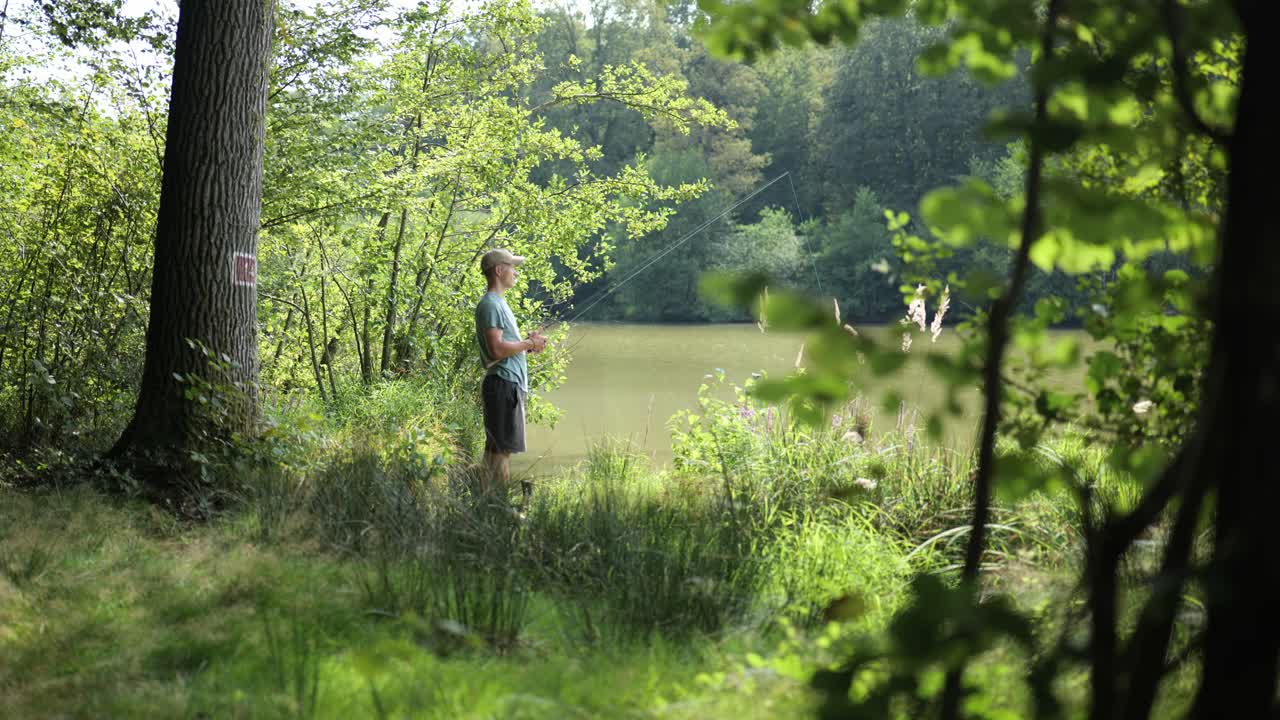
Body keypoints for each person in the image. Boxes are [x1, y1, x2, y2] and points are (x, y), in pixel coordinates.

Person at [475, 248, 547, 502]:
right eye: (512, 266)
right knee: (501, 453)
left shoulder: (498, 304)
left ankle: (484, 506)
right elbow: (495, 349)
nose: (516, 272)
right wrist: (527, 344)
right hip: (503, 384)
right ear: (499, 270)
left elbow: (504, 348)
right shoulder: (491, 304)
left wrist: (528, 343)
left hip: (505, 383)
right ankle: (502, 508)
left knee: (494, 451)